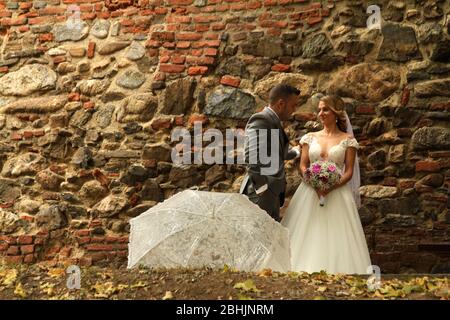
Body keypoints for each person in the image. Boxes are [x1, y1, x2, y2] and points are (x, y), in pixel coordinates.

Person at [281, 95, 372, 274]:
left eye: (326, 109)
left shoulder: (348, 140)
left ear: (336, 113)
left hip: (337, 193)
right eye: (320, 109)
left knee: (336, 233)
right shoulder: (309, 137)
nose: (321, 113)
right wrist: (314, 184)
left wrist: (330, 187)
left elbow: (348, 172)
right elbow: (303, 165)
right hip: (309, 192)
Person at [240, 84, 301, 222]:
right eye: (293, 105)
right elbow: (251, 157)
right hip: (259, 195)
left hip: (271, 195)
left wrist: (296, 152)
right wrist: (263, 189)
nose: (294, 110)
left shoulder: (273, 121)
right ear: (281, 104)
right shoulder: (261, 120)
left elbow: (275, 153)